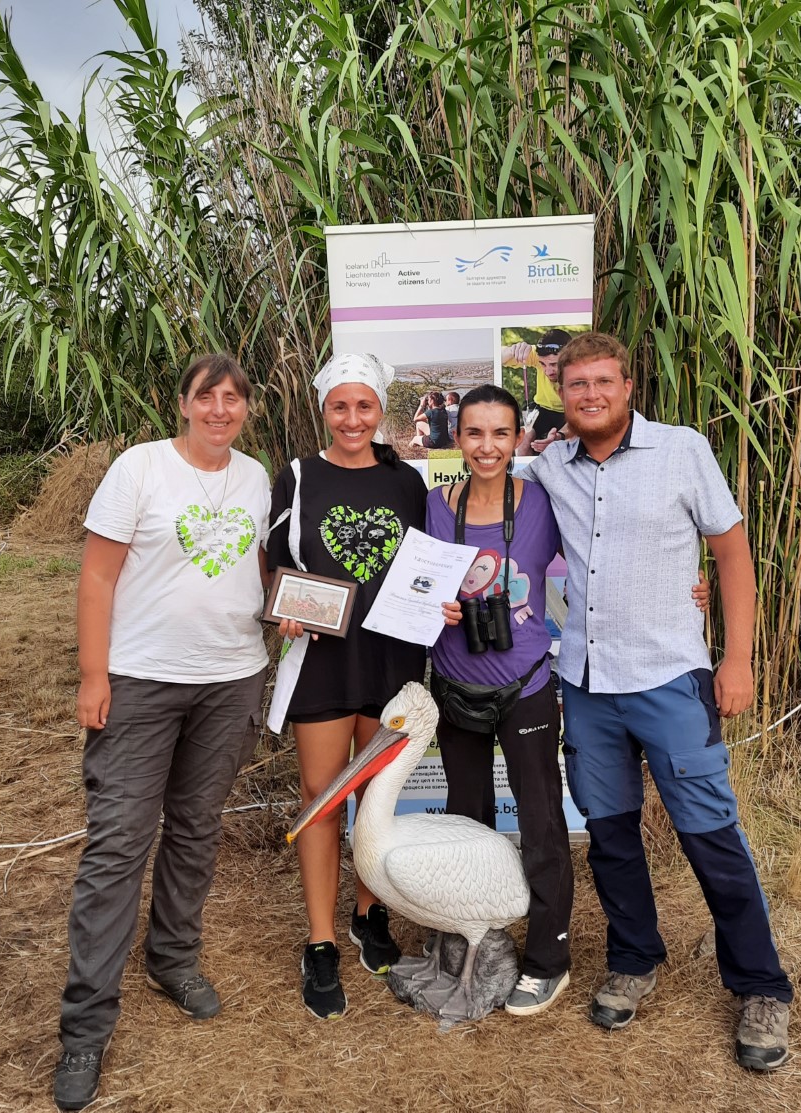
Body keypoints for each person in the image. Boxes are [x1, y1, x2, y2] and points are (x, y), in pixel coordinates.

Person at [528, 332, 794, 1069]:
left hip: (674, 679)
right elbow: (486, 481)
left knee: (710, 832)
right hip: (586, 686)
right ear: (562, 392)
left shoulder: (682, 450)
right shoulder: (551, 463)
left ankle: (761, 985)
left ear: (629, 383)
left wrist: (734, 658)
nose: (589, 394)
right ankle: (634, 958)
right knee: (611, 836)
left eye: (602, 381)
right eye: (575, 384)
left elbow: (731, 550)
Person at [54, 354, 271, 1110]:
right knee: (118, 841)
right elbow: (98, 576)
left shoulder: (256, 476)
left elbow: (257, 570)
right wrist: (93, 673)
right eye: (206, 397)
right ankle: (86, 1023)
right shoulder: (139, 469)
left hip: (232, 677)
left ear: (248, 408)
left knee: (195, 828)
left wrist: (297, 606)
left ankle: (172, 958)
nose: (219, 409)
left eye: (233, 399)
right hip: (142, 681)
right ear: (182, 403)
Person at [264, 352, 454, 1020]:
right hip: (321, 660)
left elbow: (430, 565)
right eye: (340, 406)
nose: (352, 418)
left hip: (389, 659)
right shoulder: (295, 477)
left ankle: (367, 915)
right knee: (321, 798)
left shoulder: (407, 483)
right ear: (325, 409)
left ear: (380, 411)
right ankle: (320, 941)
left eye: (364, 406)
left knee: (376, 793)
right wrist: (281, 605)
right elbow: (275, 567)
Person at [425, 384, 574, 1016]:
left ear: (518, 439)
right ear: (457, 437)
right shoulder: (431, 506)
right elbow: (411, 587)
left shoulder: (544, 502)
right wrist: (436, 606)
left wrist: (693, 587)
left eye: (501, 434)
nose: (488, 447)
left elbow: (605, 559)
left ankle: (547, 958)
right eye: (475, 433)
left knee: (540, 821)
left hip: (527, 685)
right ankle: (474, 940)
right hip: (456, 682)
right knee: (467, 819)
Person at [502, 328, 571, 455]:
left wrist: (560, 436)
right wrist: (513, 350)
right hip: (541, 409)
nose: (547, 371)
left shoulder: (582, 368)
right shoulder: (536, 354)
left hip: (570, 412)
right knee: (522, 442)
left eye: (554, 364)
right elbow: (498, 357)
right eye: (542, 364)